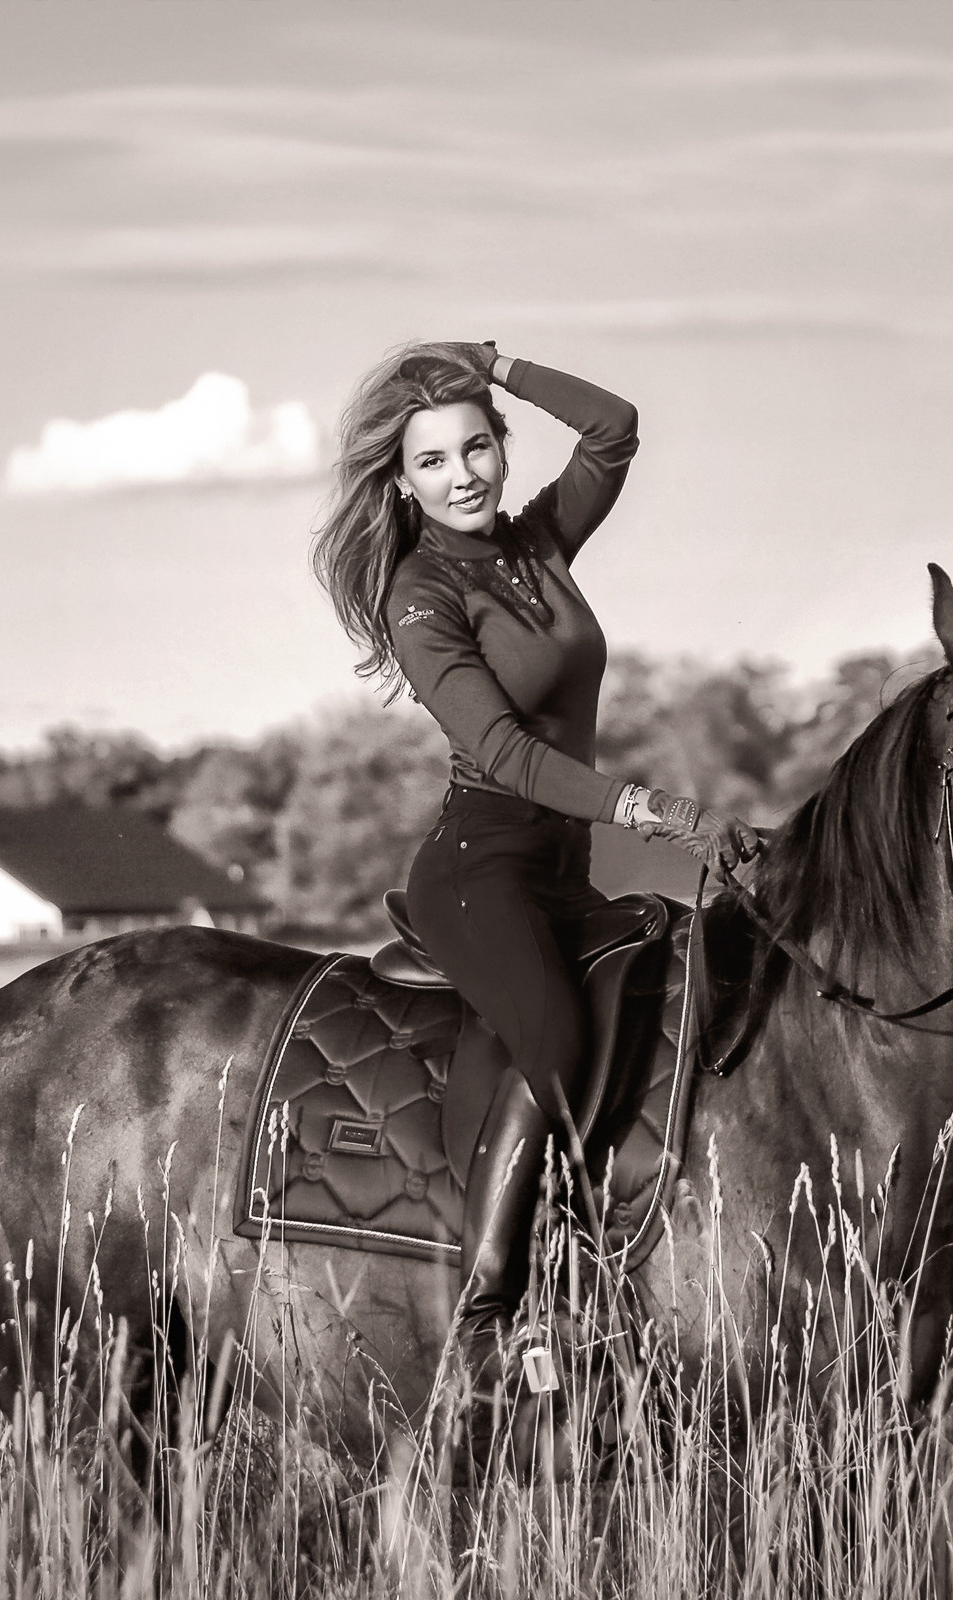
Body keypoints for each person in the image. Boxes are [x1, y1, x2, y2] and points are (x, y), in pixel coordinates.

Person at [309, 340, 759, 1397]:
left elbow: (615, 427)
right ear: (401, 480)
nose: (462, 474)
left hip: (565, 867)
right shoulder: (419, 597)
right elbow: (506, 754)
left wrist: (501, 364)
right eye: (433, 461)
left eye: (476, 448)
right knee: (552, 1031)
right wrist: (662, 811)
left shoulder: (536, 546)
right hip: (479, 869)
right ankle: (490, 1309)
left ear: (501, 451)